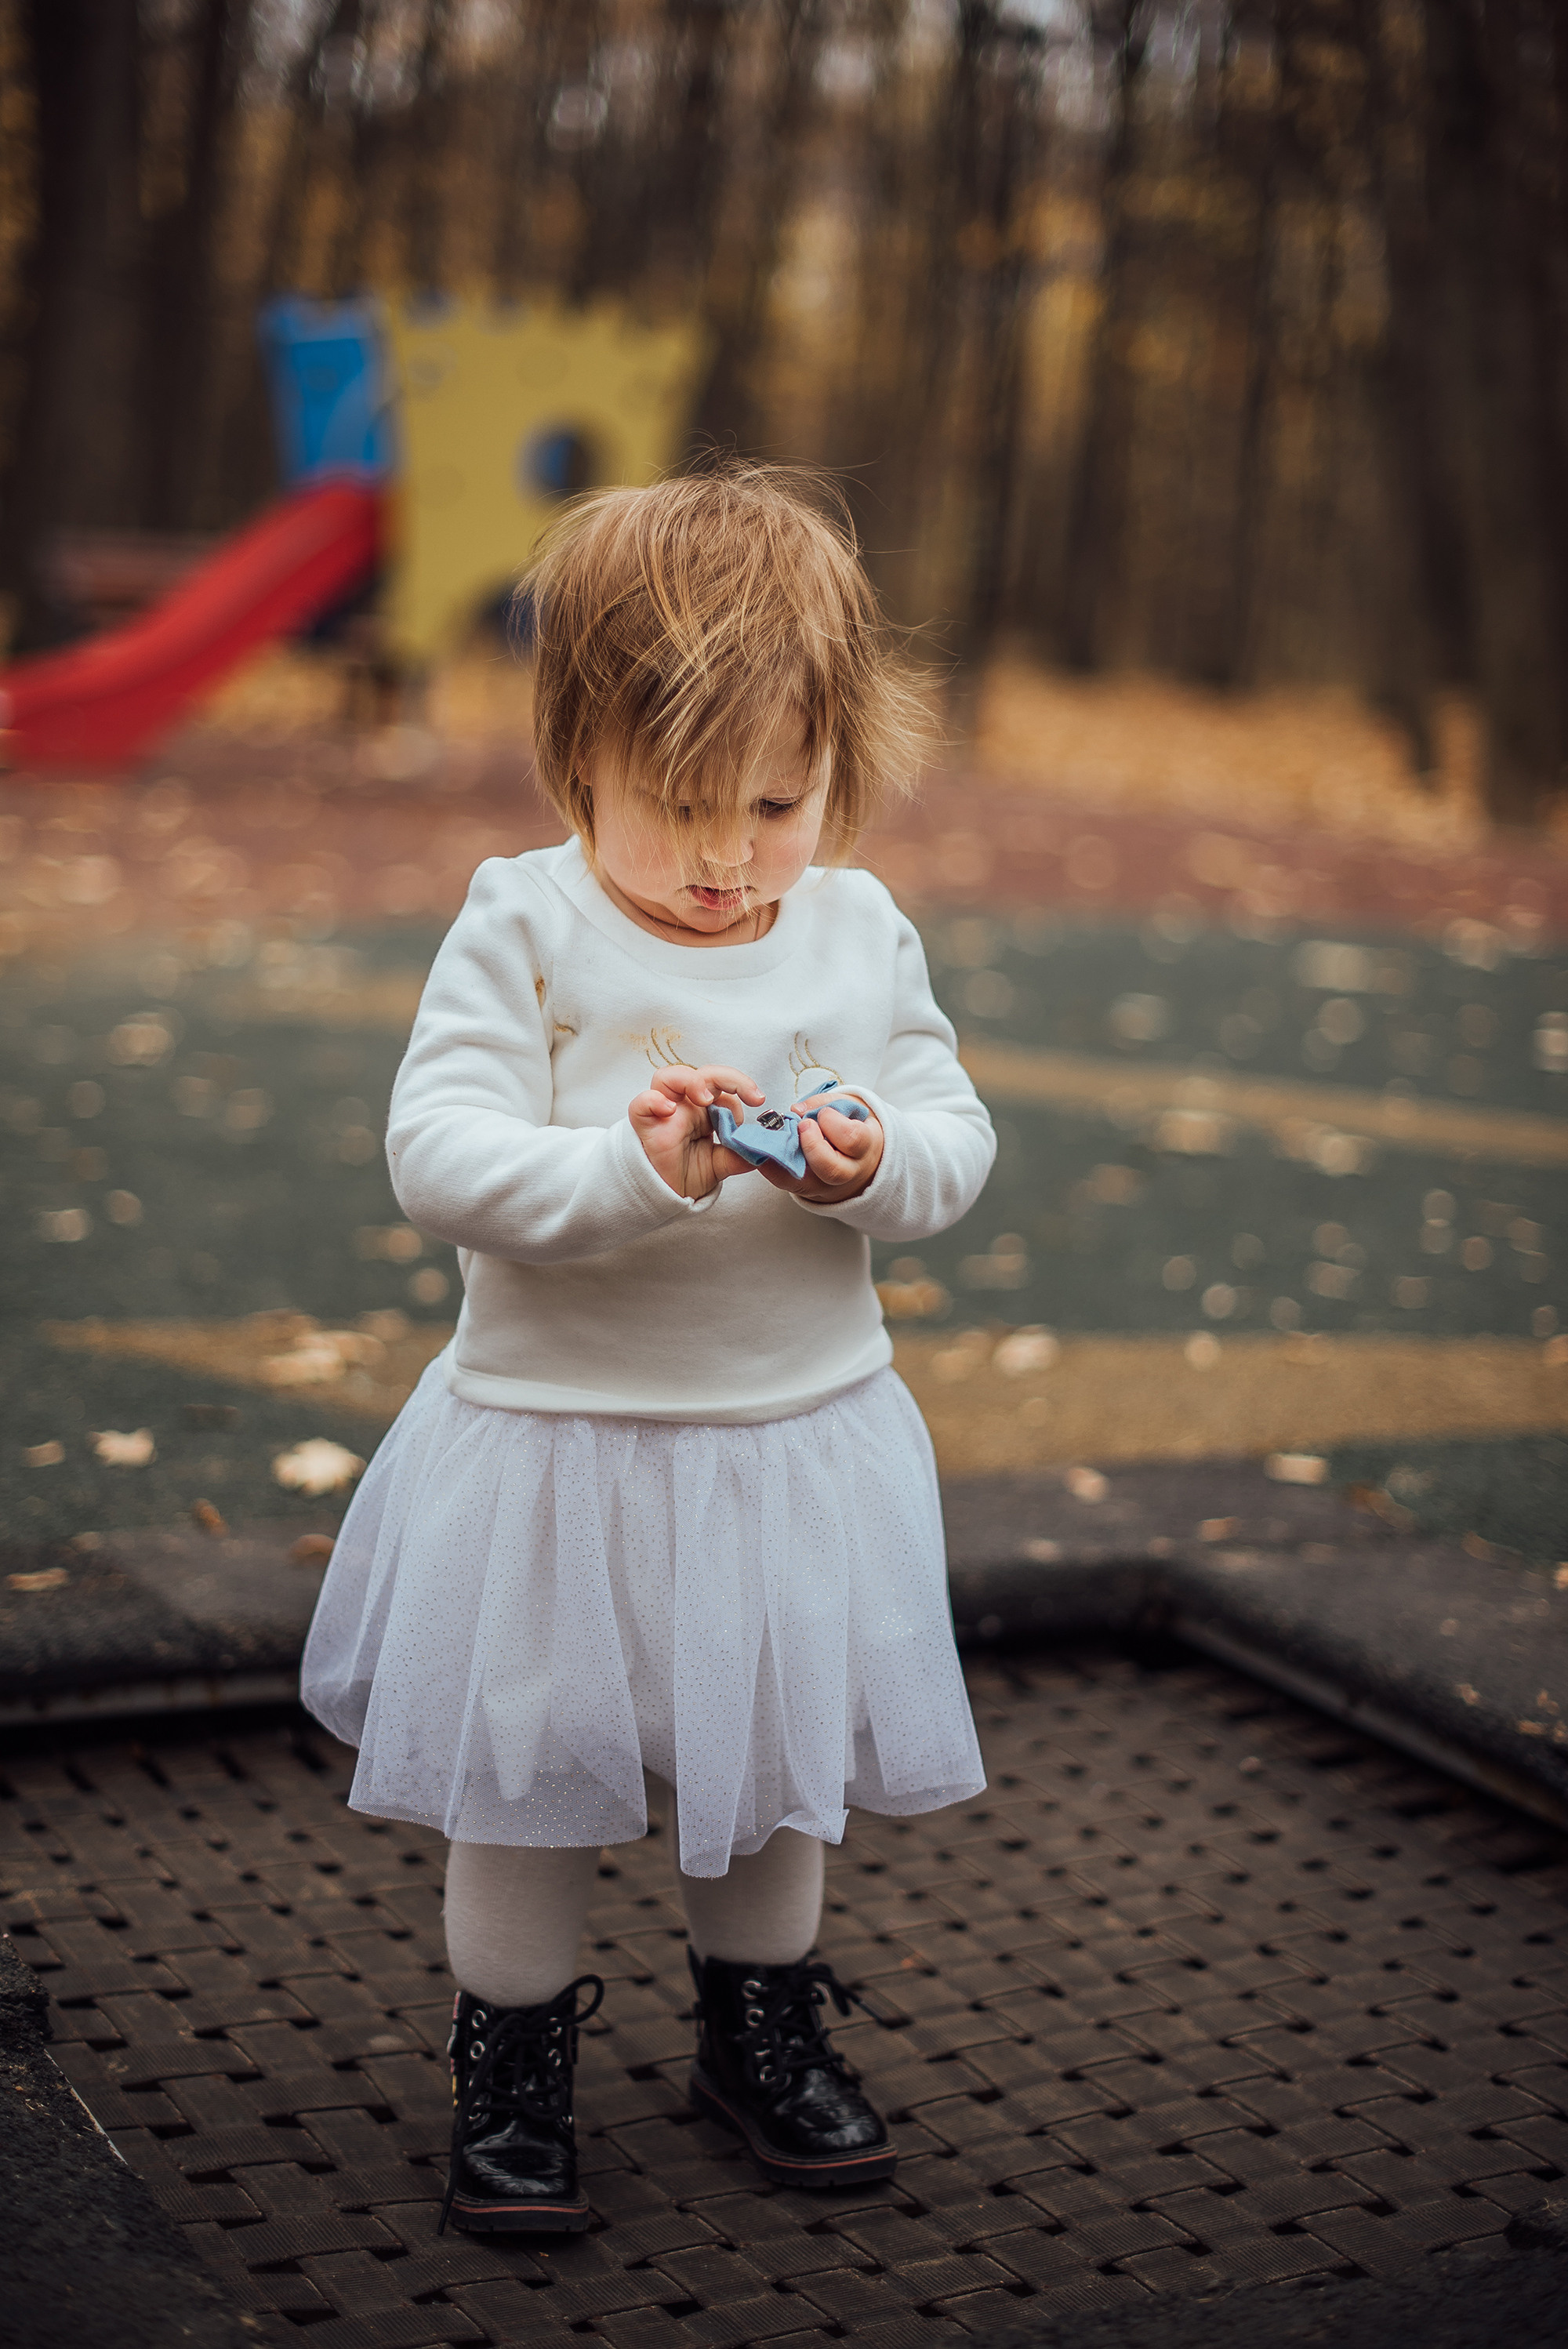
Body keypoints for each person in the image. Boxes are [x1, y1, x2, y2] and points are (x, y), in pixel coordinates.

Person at [300, 465, 995, 2236]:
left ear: (835, 764)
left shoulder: (854, 922)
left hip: (790, 1440)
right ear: (575, 761)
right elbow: (436, 1155)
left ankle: (757, 2025)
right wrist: (631, 1164)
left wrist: (866, 1161)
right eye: (675, 803)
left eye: (775, 800)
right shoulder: (526, 921)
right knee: (526, 1780)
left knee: (772, 1772)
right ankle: (510, 2051)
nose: (721, 856)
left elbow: (950, 1134)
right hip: (560, 1446)